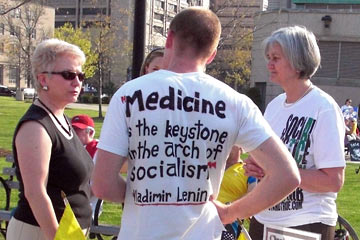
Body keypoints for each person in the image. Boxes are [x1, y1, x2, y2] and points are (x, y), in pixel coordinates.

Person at [92, 7, 300, 240]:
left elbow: (102, 185)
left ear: (169, 38)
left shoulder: (129, 95)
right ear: (212, 55)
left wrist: (144, 194)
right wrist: (232, 212)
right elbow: (287, 176)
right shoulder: (235, 103)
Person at [244, 26, 346, 240]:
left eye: (276, 58)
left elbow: (333, 180)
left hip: (306, 224)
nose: (269, 64)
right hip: (263, 220)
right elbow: (266, 162)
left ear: (298, 60)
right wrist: (257, 165)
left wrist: (279, 171)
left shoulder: (323, 107)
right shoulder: (274, 106)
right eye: (268, 57)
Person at [6, 39, 93, 240]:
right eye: (68, 75)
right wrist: (58, 238)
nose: (77, 82)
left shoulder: (61, 119)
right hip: (40, 232)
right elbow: (35, 193)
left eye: (80, 75)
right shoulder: (35, 127)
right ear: (43, 80)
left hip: (70, 232)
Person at [217, 146, 256, 240]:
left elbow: (254, 194)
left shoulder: (247, 170)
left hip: (230, 224)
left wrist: (230, 207)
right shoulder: (213, 166)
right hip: (205, 219)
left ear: (241, 147)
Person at [71, 114, 100, 218]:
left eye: (78, 130)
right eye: (72, 129)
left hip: (85, 206)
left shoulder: (98, 150)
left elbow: (97, 186)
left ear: (91, 132)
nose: (73, 133)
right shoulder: (69, 147)